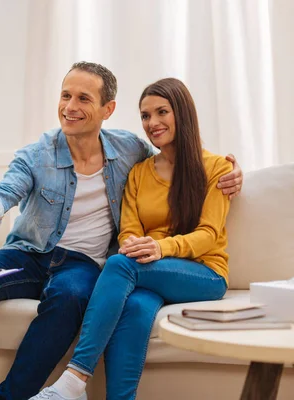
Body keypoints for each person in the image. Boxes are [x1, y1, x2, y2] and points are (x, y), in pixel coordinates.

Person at [0, 63, 243, 400]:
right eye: (65, 95)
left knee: (71, 296)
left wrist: (234, 170)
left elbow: (186, 162)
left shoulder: (130, 151)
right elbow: (5, 190)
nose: (70, 107)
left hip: (82, 264)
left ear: (107, 109)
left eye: (83, 98)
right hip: (31, 254)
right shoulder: (39, 155)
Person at [31, 77, 232, 400]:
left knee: (120, 266)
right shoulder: (140, 172)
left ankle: (74, 379)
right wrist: (133, 243)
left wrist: (158, 247)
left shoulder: (217, 168)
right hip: (151, 272)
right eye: (145, 115)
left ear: (183, 113)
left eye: (161, 112)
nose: (152, 123)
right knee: (136, 306)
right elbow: (129, 228)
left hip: (204, 273)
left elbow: (208, 235)